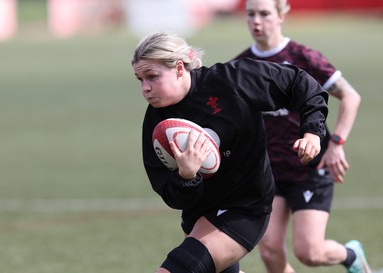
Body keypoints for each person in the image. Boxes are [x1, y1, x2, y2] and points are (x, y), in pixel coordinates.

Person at [132, 31, 329, 273]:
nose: (145, 88)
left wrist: (312, 132)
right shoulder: (156, 122)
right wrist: (187, 176)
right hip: (199, 213)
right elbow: (170, 193)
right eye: (139, 79)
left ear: (180, 68)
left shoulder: (231, 81)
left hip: (245, 207)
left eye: (152, 77)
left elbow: (301, 84)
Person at [232, 0, 370, 273]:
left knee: (309, 253)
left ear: (282, 15)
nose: (256, 21)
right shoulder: (241, 66)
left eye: (264, 14)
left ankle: (351, 255)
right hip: (268, 172)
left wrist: (336, 144)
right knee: (270, 249)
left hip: (309, 168)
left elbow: (350, 96)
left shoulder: (303, 58)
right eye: (250, 14)